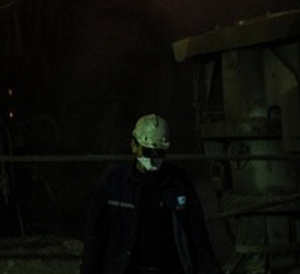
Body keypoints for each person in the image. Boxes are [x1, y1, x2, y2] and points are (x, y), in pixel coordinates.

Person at [81, 114, 217, 274]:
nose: (153, 160)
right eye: (147, 151)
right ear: (134, 145)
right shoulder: (114, 182)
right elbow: (95, 234)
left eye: (158, 153)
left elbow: (198, 233)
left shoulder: (178, 183)